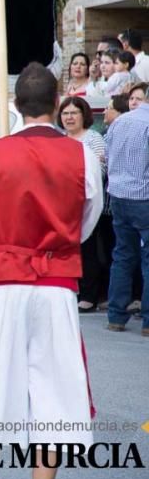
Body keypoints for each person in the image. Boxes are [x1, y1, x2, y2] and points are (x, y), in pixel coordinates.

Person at [0, 63, 102, 479]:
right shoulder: (81, 155)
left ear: (16, 104)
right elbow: (89, 218)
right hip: (55, 284)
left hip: (1, 282)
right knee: (53, 389)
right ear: (56, 103)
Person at [103, 78, 149, 336]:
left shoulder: (120, 121)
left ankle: (116, 316)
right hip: (144, 196)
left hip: (119, 195)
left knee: (122, 255)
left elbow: (108, 157)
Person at [58, 97, 108, 313]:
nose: (69, 117)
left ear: (83, 115)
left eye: (73, 113)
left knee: (87, 249)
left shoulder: (93, 139)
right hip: (60, 203)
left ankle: (89, 295)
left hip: (85, 202)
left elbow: (100, 170)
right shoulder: (58, 139)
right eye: (65, 113)